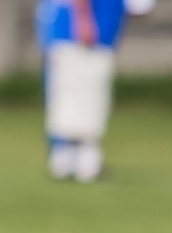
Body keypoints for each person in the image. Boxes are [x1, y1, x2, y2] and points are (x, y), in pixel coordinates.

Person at [39, 0, 131, 181]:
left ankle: (74, 161)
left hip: (96, 39)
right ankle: (76, 162)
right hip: (83, 40)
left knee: (85, 100)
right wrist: (83, 22)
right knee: (79, 100)